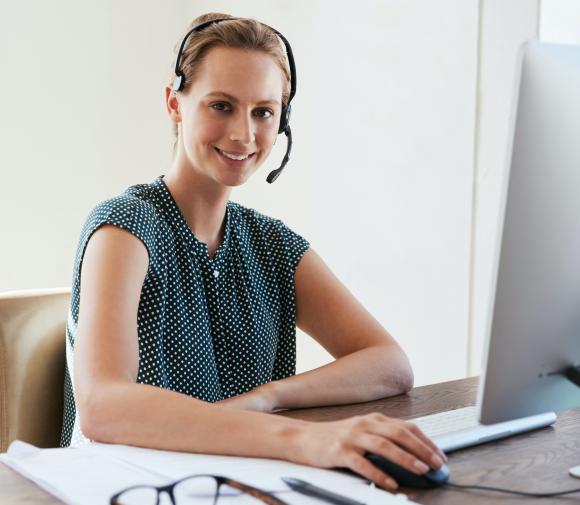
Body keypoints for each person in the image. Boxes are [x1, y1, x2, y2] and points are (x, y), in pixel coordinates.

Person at [60, 12, 446, 491]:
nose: (244, 134)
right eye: (221, 106)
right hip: (125, 488)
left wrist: (267, 397)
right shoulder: (124, 227)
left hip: (232, 483)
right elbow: (103, 407)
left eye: (263, 111)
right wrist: (300, 438)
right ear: (174, 104)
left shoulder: (272, 244)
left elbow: (390, 364)